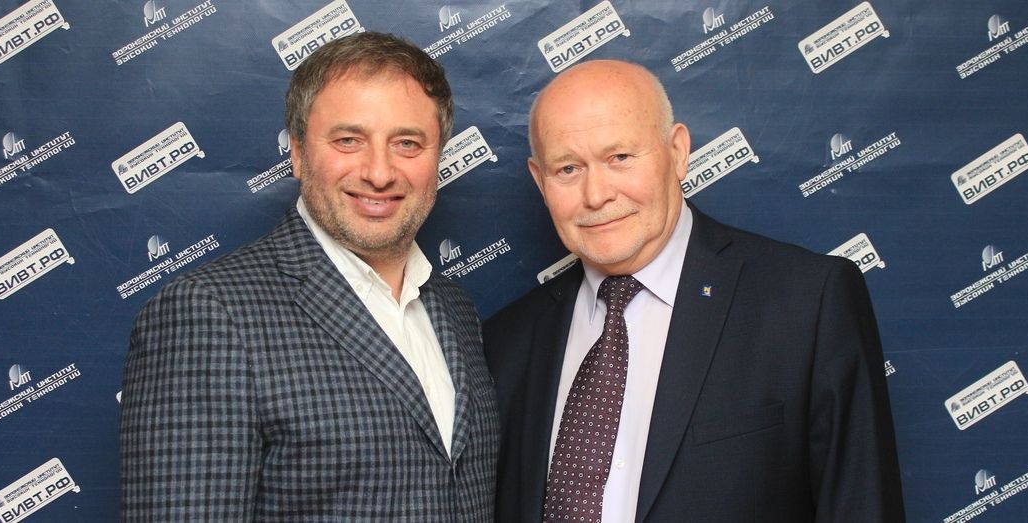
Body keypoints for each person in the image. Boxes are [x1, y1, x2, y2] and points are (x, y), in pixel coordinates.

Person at [484, 60, 904, 522]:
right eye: (567, 168)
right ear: (540, 181)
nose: (596, 194)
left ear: (678, 151)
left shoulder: (807, 302)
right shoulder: (506, 342)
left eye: (620, 157)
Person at [119, 32, 497, 521]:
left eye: (407, 143)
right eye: (348, 141)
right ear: (297, 153)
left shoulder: (454, 307)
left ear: (437, 157)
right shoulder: (209, 314)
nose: (379, 172)